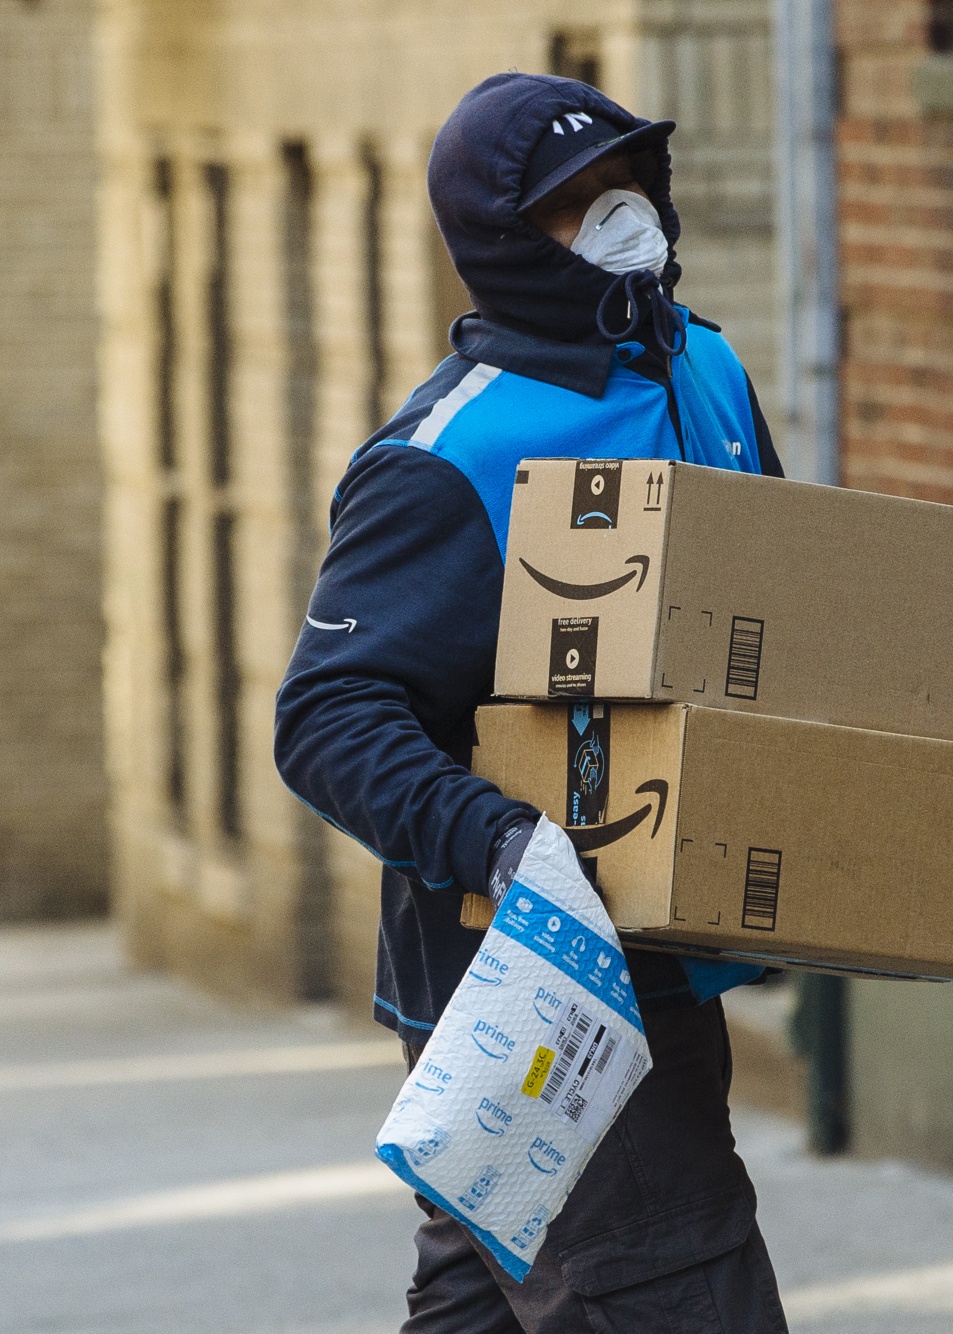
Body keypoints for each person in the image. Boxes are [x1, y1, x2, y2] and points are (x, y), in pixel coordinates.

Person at [274, 72, 789, 1333]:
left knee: (489, 1309)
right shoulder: (449, 457)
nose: (615, 218)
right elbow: (326, 716)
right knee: (674, 1288)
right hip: (533, 977)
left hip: (661, 943)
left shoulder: (703, 365)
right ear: (503, 243)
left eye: (622, 184)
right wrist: (505, 845)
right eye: (570, 207)